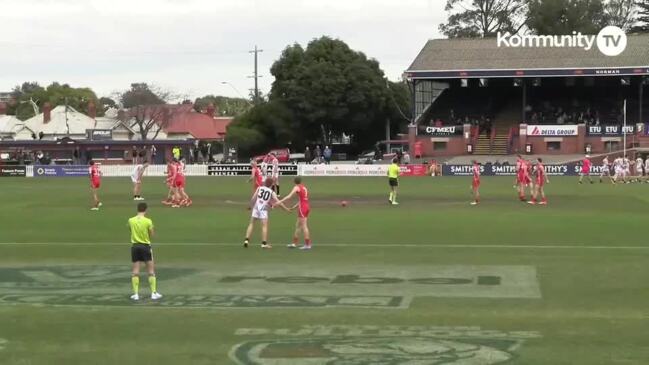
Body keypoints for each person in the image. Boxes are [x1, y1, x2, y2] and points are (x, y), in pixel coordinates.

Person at [244, 177, 290, 249]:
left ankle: (246, 240)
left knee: (251, 223)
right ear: (271, 184)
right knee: (264, 226)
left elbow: (253, 198)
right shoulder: (271, 192)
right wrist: (286, 209)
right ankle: (264, 243)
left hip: (256, 207)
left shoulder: (259, 188)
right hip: (263, 209)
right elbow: (279, 202)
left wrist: (250, 206)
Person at [128, 202, 162, 301]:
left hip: (135, 246)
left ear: (137, 209)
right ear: (145, 210)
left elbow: (130, 230)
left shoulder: (131, 220)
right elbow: (152, 234)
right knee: (151, 271)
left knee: (135, 271)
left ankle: (136, 294)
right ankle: (153, 293)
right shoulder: (148, 221)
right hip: (145, 246)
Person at [278, 177, 312, 250]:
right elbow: (302, 200)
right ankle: (294, 243)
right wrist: (294, 207)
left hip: (302, 208)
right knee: (298, 225)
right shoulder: (303, 187)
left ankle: (307, 244)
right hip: (306, 206)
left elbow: (289, 196)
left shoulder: (297, 187)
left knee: (304, 226)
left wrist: (280, 201)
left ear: (294, 181)